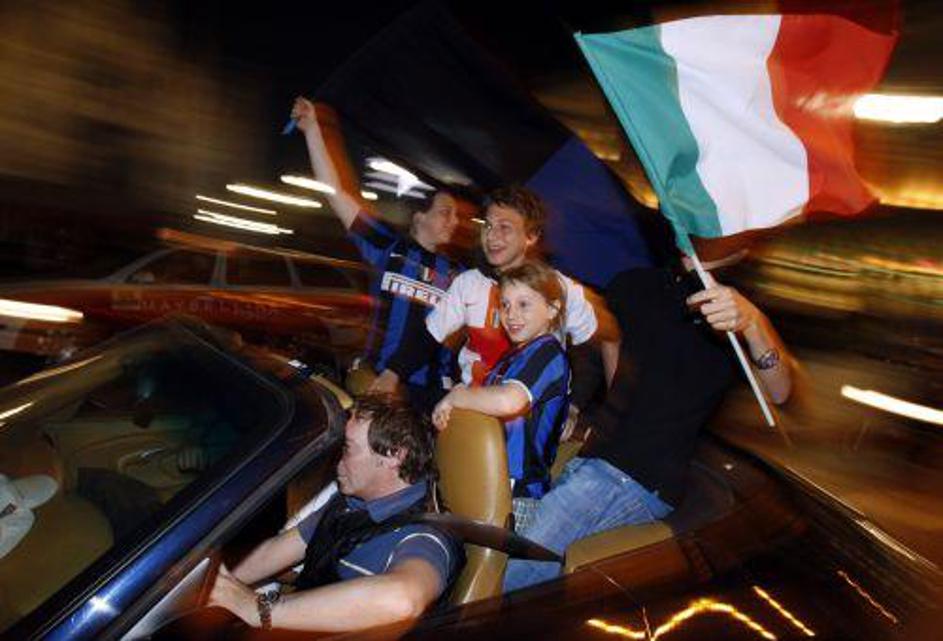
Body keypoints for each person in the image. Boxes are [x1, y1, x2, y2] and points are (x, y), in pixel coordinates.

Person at [503, 251, 793, 592]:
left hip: (641, 476)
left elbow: (779, 391)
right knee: (502, 527)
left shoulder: (733, 308)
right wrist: (575, 404)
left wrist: (753, 323)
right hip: (590, 457)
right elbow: (596, 345)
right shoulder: (635, 284)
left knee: (521, 562)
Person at [207, 395, 463, 633]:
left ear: (394, 455)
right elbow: (272, 553)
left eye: (348, 448)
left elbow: (404, 600)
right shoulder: (352, 504)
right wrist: (206, 584)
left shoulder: (425, 536)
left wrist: (262, 610)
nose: (338, 461)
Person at [291, 98, 463, 411]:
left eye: (455, 214)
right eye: (445, 212)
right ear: (419, 216)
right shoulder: (390, 246)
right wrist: (313, 130)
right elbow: (337, 194)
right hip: (378, 384)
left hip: (429, 395)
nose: (454, 221)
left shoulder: (458, 274)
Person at [382, 185, 619, 397]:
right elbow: (427, 337)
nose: (492, 236)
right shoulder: (468, 283)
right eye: (488, 226)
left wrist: (576, 404)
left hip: (530, 422)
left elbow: (608, 336)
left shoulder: (558, 288)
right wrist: (390, 375)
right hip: (471, 413)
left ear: (531, 236)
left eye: (505, 227)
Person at [431, 261, 571, 532]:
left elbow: (509, 401)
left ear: (552, 309)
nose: (511, 314)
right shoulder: (514, 356)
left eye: (523, 304)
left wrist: (457, 397)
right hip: (487, 482)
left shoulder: (548, 353)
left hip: (516, 495)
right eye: (505, 305)